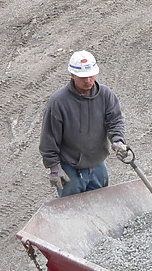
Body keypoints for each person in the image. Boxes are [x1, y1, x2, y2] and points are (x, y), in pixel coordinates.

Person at [39, 50, 128, 197]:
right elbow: (49, 137)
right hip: (70, 168)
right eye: (83, 77)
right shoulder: (59, 102)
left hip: (97, 164)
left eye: (91, 76)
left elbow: (115, 120)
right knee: (72, 211)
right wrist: (54, 167)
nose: (88, 81)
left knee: (100, 206)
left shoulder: (106, 95)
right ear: (72, 75)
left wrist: (118, 141)